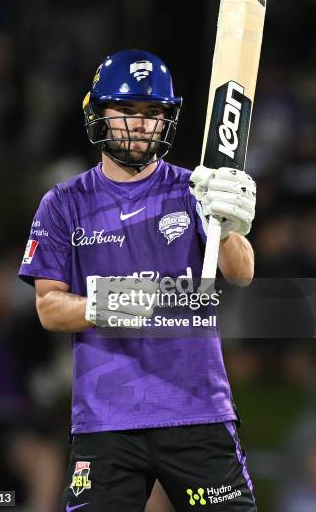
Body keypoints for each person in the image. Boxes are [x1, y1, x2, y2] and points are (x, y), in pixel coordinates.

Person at [19, 49, 257, 511]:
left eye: (153, 113)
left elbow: (241, 272)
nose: (140, 124)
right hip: (107, 421)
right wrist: (125, 301)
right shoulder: (64, 202)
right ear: (98, 113)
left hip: (197, 410)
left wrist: (228, 225)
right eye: (126, 111)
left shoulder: (197, 188)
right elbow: (48, 307)